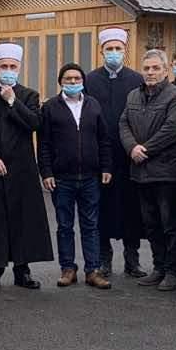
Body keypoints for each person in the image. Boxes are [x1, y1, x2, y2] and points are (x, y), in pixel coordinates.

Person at [0, 44, 53, 290]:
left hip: (22, 168)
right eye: (3, 66)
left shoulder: (29, 95)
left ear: (19, 68)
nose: (8, 70)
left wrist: (12, 101)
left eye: (12, 67)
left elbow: (34, 123)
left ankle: (22, 269)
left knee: (23, 219)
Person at [38, 62, 113, 289]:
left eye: (77, 79)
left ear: (83, 82)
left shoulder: (93, 105)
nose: (72, 82)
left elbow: (104, 139)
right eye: (68, 79)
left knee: (91, 225)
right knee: (64, 225)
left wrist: (107, 167)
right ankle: (68, 269)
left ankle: (93, 270)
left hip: (91, 176)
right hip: (62, 178)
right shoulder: (50, 107)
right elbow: (44, 144)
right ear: (60, 82)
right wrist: (46, 172)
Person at [121, 48, 176, 291]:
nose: (150, 72)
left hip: (166, 172)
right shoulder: (132, 96)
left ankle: (173, 271)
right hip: (140, 173)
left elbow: (172, 129)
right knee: (151, 224)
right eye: (146, 68)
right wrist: (131, 149)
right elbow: (123, 123)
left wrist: (144, 150)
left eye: (155, 68)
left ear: (165, 70)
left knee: (170, 225)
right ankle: (158, 267)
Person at [84, 28, 145, 278]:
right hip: (100, 157)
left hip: (129, 155)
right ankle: (104, 259)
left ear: (125, 50)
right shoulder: (90, 80)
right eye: (109, 49)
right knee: (102, 209)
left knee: (132, 208)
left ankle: (133, 259)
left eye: (118, 48)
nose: (114, 53)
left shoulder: (136, 80)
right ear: (101, 51)